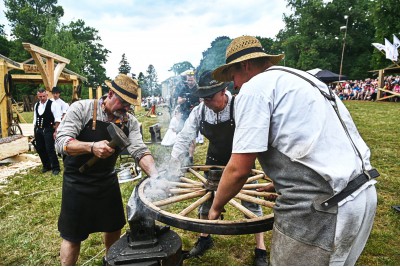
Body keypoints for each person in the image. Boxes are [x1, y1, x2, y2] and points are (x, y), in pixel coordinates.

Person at [208, 35, 379, 266]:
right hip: (362, 194)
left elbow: (239, 168)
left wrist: (216, 207)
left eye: (233, 78)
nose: (234, 85)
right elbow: (315, 140)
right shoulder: (304, 80)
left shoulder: (254, 89)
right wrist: (284, 181)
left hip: (321, 208)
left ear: (245, 65)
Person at [55, 74, 159, 265]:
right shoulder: (82, 109)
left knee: (113, 227)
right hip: (77, 181)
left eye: (130, 104)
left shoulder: (130, 122)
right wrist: (91, 147)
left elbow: (140, 151)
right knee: (72, 235)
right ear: (110, 94)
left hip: (106, 180)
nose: (126, 109)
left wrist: (156, 176)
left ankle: (111, 261)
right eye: (123, 102)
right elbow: (62, 142)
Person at [170, 70, 270, 265]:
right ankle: (205, 237)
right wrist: (174, 161)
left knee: (252, 203)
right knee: (206, 199)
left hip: (240, 158)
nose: (206, 102)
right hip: (213, 159)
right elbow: (184, 137)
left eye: (210, 97)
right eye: (203, 98)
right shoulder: (199, 111)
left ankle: (260, 248)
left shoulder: (239, 106)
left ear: (224, 91)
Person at [33, 88, 62, 175]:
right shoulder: (36, 105)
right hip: (39, 129)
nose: (42, 98)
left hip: (49, 129)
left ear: (47, 95)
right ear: (38, 96)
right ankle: (46, 165)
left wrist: (56, 131)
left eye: (43, 96)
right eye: (40, 96)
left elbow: (57, 119)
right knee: (40, 148)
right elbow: (35, 118)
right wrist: (34, 131)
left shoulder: (53, 104)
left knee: (50, 149)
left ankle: (56, 167)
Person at [173, 70, 200, 164]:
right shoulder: (183, 88)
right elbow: (178, 101)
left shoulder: (197, 88)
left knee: (192, 136)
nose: (190, 82)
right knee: (180, 133)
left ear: (194, 79)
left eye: (191, 80)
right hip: (184, 114)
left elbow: (201, 101)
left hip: (195, 114)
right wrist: (185, 99)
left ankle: (190, 157)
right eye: (188, 80)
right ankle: (182, 154)